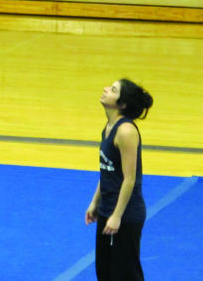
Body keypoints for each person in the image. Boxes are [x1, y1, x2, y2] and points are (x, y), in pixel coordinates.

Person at [85, 79, 154, 281]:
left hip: (126, 215)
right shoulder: (108, 127)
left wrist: (117, 216)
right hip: (107, 210)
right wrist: (95, 202)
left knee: (126, 275)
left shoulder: (126, 132)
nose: (105, 89)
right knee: (104, 272)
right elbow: (107, 170)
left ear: (122, 104)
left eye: (113, 89)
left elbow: (129, 179)